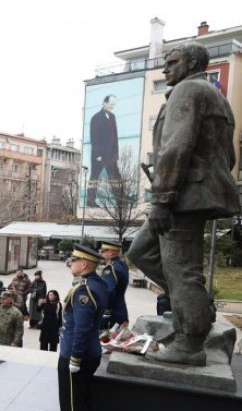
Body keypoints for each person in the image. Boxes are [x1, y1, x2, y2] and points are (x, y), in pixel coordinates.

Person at [128, 42, 240, 365]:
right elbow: (229, 158)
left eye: (172, 62)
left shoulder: (188, 91)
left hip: (183, 198)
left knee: (180, 270)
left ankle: (190, 341)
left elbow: (176, 147)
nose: (165, 69)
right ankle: (196, 308)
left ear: (191, 64)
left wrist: (162, 199)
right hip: (191, 193)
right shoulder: (216, 97)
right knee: (141, 251)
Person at [51, 245, 108, 411]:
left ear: (84, 264)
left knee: (73, 403)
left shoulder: (84, 290)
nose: (70, 263)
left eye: (74, 259)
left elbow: (82, 328)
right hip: (88, 351)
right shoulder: (96, 283)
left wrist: (75, 358)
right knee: (80, 401)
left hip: (77, 354)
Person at [87, 94, 122, 207]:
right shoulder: (95, 118)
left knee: (115, 177)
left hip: (111, 155)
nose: (112, 107)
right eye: (111, 104)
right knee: (94, 178)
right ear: (104, 103)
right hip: (99, 155)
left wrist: (116, 155)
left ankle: (120, 199)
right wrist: (98, 154)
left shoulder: (113, 117)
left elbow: (115, 137)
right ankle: (90, 201)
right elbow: (94, 137)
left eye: (114, 105)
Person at [98, 241, 129, 329]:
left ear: (111, 252)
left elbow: (109, 293)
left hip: (111, 316)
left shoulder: (110, 269)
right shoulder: (122, 265)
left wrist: (105, 315)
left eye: (104, 250)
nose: (101, 252)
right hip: (121, 311)